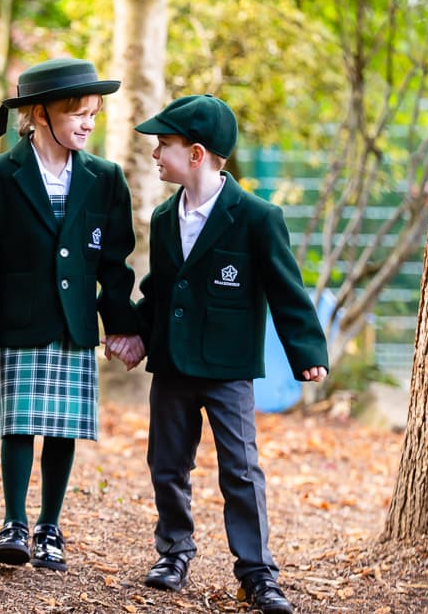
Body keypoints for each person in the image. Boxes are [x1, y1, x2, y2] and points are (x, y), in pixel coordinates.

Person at [129, 94, 328, 614]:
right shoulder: (163, 216)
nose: (155, 153)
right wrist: (137, 336)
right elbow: (159, 290)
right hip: (172, 365)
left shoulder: (257, 217)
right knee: (167, 464)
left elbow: (287, 289)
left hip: (228, 369)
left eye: (163, 145)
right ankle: (173, 552)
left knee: (240, 468)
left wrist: (305, 349)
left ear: (196, 154)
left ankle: (258, 573)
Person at [0, 57, 144, 572]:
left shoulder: (105, 178)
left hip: (74, 323)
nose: (87, 123)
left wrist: (122, 325)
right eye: (77, 113)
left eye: (93, 114)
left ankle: (50, 527)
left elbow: (115, 264)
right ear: (39, 115)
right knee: (18, 424)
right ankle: (14, 523)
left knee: (63, 426)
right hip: (20, 320)